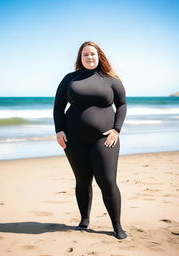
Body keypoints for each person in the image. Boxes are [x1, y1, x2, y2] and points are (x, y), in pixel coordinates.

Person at [53, 41, 127, 239]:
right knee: (82, 180)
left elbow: (122, 105)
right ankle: (84, 220)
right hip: (73, 139)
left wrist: (116, 130)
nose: (89, 57)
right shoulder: (70, 79)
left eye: (93, 54)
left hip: (104, 140)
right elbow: (58, 106)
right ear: (80, 57)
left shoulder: (111, 79)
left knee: (108, 181)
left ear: (99, 55)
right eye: (85, 54)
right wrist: (59, 130)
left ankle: (117, 226)